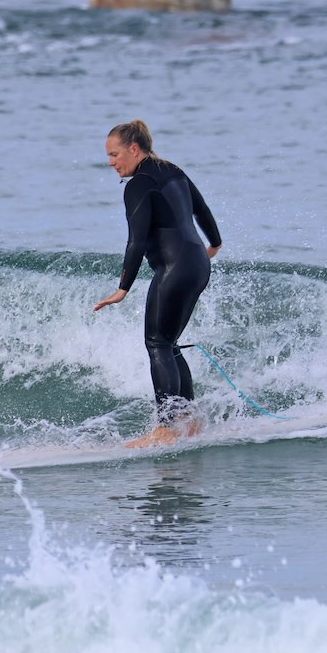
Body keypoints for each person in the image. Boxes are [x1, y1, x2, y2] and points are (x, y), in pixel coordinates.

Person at [92, 120, 221, 448]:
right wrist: (214, 245)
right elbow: (202, 209)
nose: (111, 162)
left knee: (158, 345)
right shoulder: (172, 170)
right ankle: (189, 422)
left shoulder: (138, 184)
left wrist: (123, 288)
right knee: (170, 343)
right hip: (197, 265)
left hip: (175, 269)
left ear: (134, 149)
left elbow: (135, 241)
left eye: (114, 154)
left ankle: (165, 428)